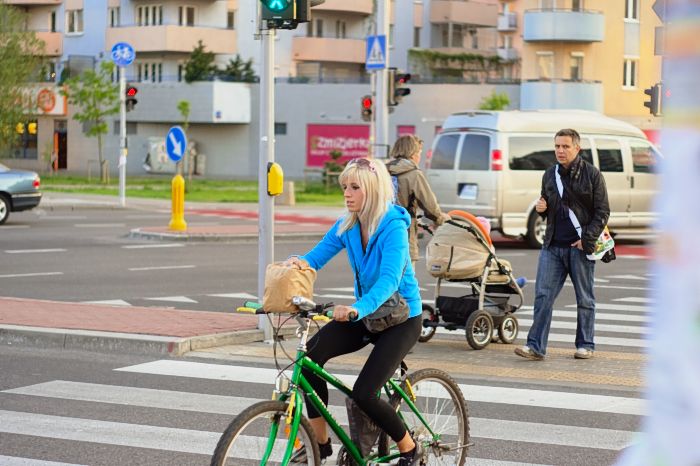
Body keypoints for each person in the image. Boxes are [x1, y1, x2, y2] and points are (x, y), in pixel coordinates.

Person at [284, 157, 424, 465]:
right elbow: (316, 256)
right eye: (344, 187)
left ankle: (410, 449)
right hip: (365, 315)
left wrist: (356, 309)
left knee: (365, 393)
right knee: (308, 361)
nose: (347, 193)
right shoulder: (348, 224)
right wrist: (296, 264)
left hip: (401, 319)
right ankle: (319, 444)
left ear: (372, 189)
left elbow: (389, 280)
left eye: (355, 187)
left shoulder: (394, 228)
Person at [515, 128, 610, 361]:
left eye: (565, 146)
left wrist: (586, 239)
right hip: (552, 245)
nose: (560, 150)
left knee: (584, 298)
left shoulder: (592, 175)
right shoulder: (549, 175)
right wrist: (543, 209)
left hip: (579, 246)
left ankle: (585, 344)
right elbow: (549, 206)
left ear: (577, 148)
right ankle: (535, 346)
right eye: (557, 146)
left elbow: (602, 212)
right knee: (543, 295)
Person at [386, 134, 451, 269]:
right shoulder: (413, 174)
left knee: (384, 279)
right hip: (404, 233)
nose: (419, 157)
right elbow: (430, 206)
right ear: (412, 153)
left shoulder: (382, 172)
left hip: (380, 232)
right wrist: (439, 219)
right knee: (405, 282)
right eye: (419, 152)